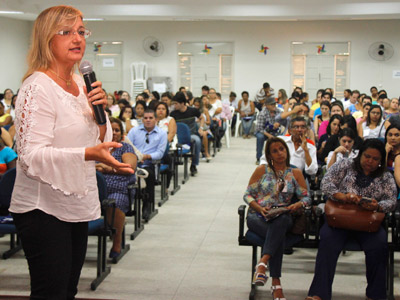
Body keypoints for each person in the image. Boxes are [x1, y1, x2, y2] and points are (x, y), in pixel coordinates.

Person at [8, 6, 134, 300]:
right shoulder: (37, 88)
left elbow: (100, 136)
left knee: (67, 291)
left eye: (80, 31)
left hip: (74, 202)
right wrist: (89, 153)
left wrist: (98, 115)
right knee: (50, 292)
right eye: (65, 32)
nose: (77, 38)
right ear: (46, 39)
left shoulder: (80, 82)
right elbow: (30, 157)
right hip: (42, 208)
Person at [306, 139, 396, 300]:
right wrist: (343, 196)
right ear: (360, 154)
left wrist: (377, 205)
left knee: (379, 246)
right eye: (367, 156)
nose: (370, 161)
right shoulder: (346, 165)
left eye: (376, 159)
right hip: (340, 219)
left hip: (369, 222)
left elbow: (391, 201)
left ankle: (375, 295)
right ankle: (319, 294)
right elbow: (325, 183)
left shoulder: (385, 176)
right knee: (327, 242)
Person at [244, 137, 310, 300]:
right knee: (278, 237)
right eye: (275, 151)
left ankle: (262, 263)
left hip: (282, 214)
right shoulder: (262, 170)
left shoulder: (295, 173)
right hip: (258, 216)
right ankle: (276, 284)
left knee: (280, 223)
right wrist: (259, 208)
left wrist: (298, 205)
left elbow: (307, 198)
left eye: (281, 149)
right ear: (269, 155)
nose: (280, 153)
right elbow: (247, 195)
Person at [96, 118, 137, 258]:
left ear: (122, 134)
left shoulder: (125, 148)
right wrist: (99, 167)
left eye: (117, 130)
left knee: (115, 202)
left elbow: (129, 168)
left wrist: (108, 169)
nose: (113, 133)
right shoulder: (97, 147)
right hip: (93, 189)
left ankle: (117, 242)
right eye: (110, 130)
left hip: (118, 189)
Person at [127, 109, 167, 220]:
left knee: (148, 174)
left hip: (150, 163)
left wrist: (147, 156)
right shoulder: (134, 131)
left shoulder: (161, 133)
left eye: (150, 118)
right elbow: (128, 146)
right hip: (134, 161)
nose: (148, 120)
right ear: (142, 119)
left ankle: (147, 205)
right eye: (145, 118)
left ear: (156, 119)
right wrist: (136, 157)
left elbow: (160, 153)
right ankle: (127, 204)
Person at [170, 92, 202, 175]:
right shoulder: (173, 114)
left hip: (191, 134)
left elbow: (202, 118)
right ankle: (172, 166)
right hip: (177, 136)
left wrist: (201, 128)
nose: (174, 106)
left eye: (176, 104)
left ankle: (194, 165)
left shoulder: (193, 110)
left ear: (182, 103)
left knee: (197, 141)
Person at [255, 97, 282, 165]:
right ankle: (259, 158)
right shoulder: (262, 113)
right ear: (266, 105)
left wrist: (279, 124)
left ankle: (277, 157)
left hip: (275, 131)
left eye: (274, 104)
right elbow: (260, 128)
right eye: (271, 104)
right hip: (263, 132)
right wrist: (269, 135)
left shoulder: (279, 111)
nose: (274, 106)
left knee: (281, 138)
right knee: (260, 137)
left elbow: (284, 122)